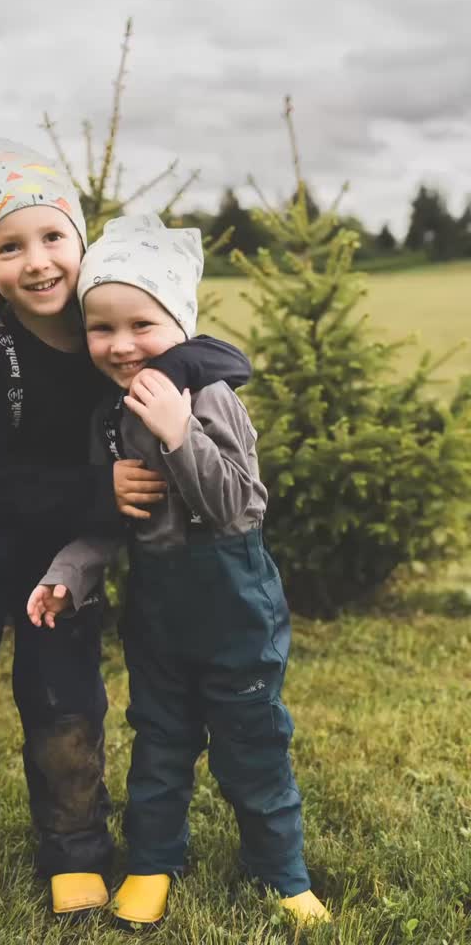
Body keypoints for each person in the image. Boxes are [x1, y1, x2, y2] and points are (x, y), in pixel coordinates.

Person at [0, 143, 251, 945]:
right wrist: (98, 494)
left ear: (80, 239)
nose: (37, 262)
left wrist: (216, 375)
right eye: (9, 246)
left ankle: (74, 851)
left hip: (62, 554)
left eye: (53, 237)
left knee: (67, 702)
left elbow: (190, 347)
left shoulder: (108, 325)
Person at [28, 213, 331, 930]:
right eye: (102, 328)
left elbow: (235, 506)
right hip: (158, 616)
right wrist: (67, 571)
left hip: (234, 605)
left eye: (143, 324)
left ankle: (281, 871)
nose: (123, 344)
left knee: (252, 742)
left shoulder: (209, 399)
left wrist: (178, 431)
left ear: (181, 322)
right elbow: (110, 522)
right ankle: (152, 862)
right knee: (159, 742)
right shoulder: (107, 417)